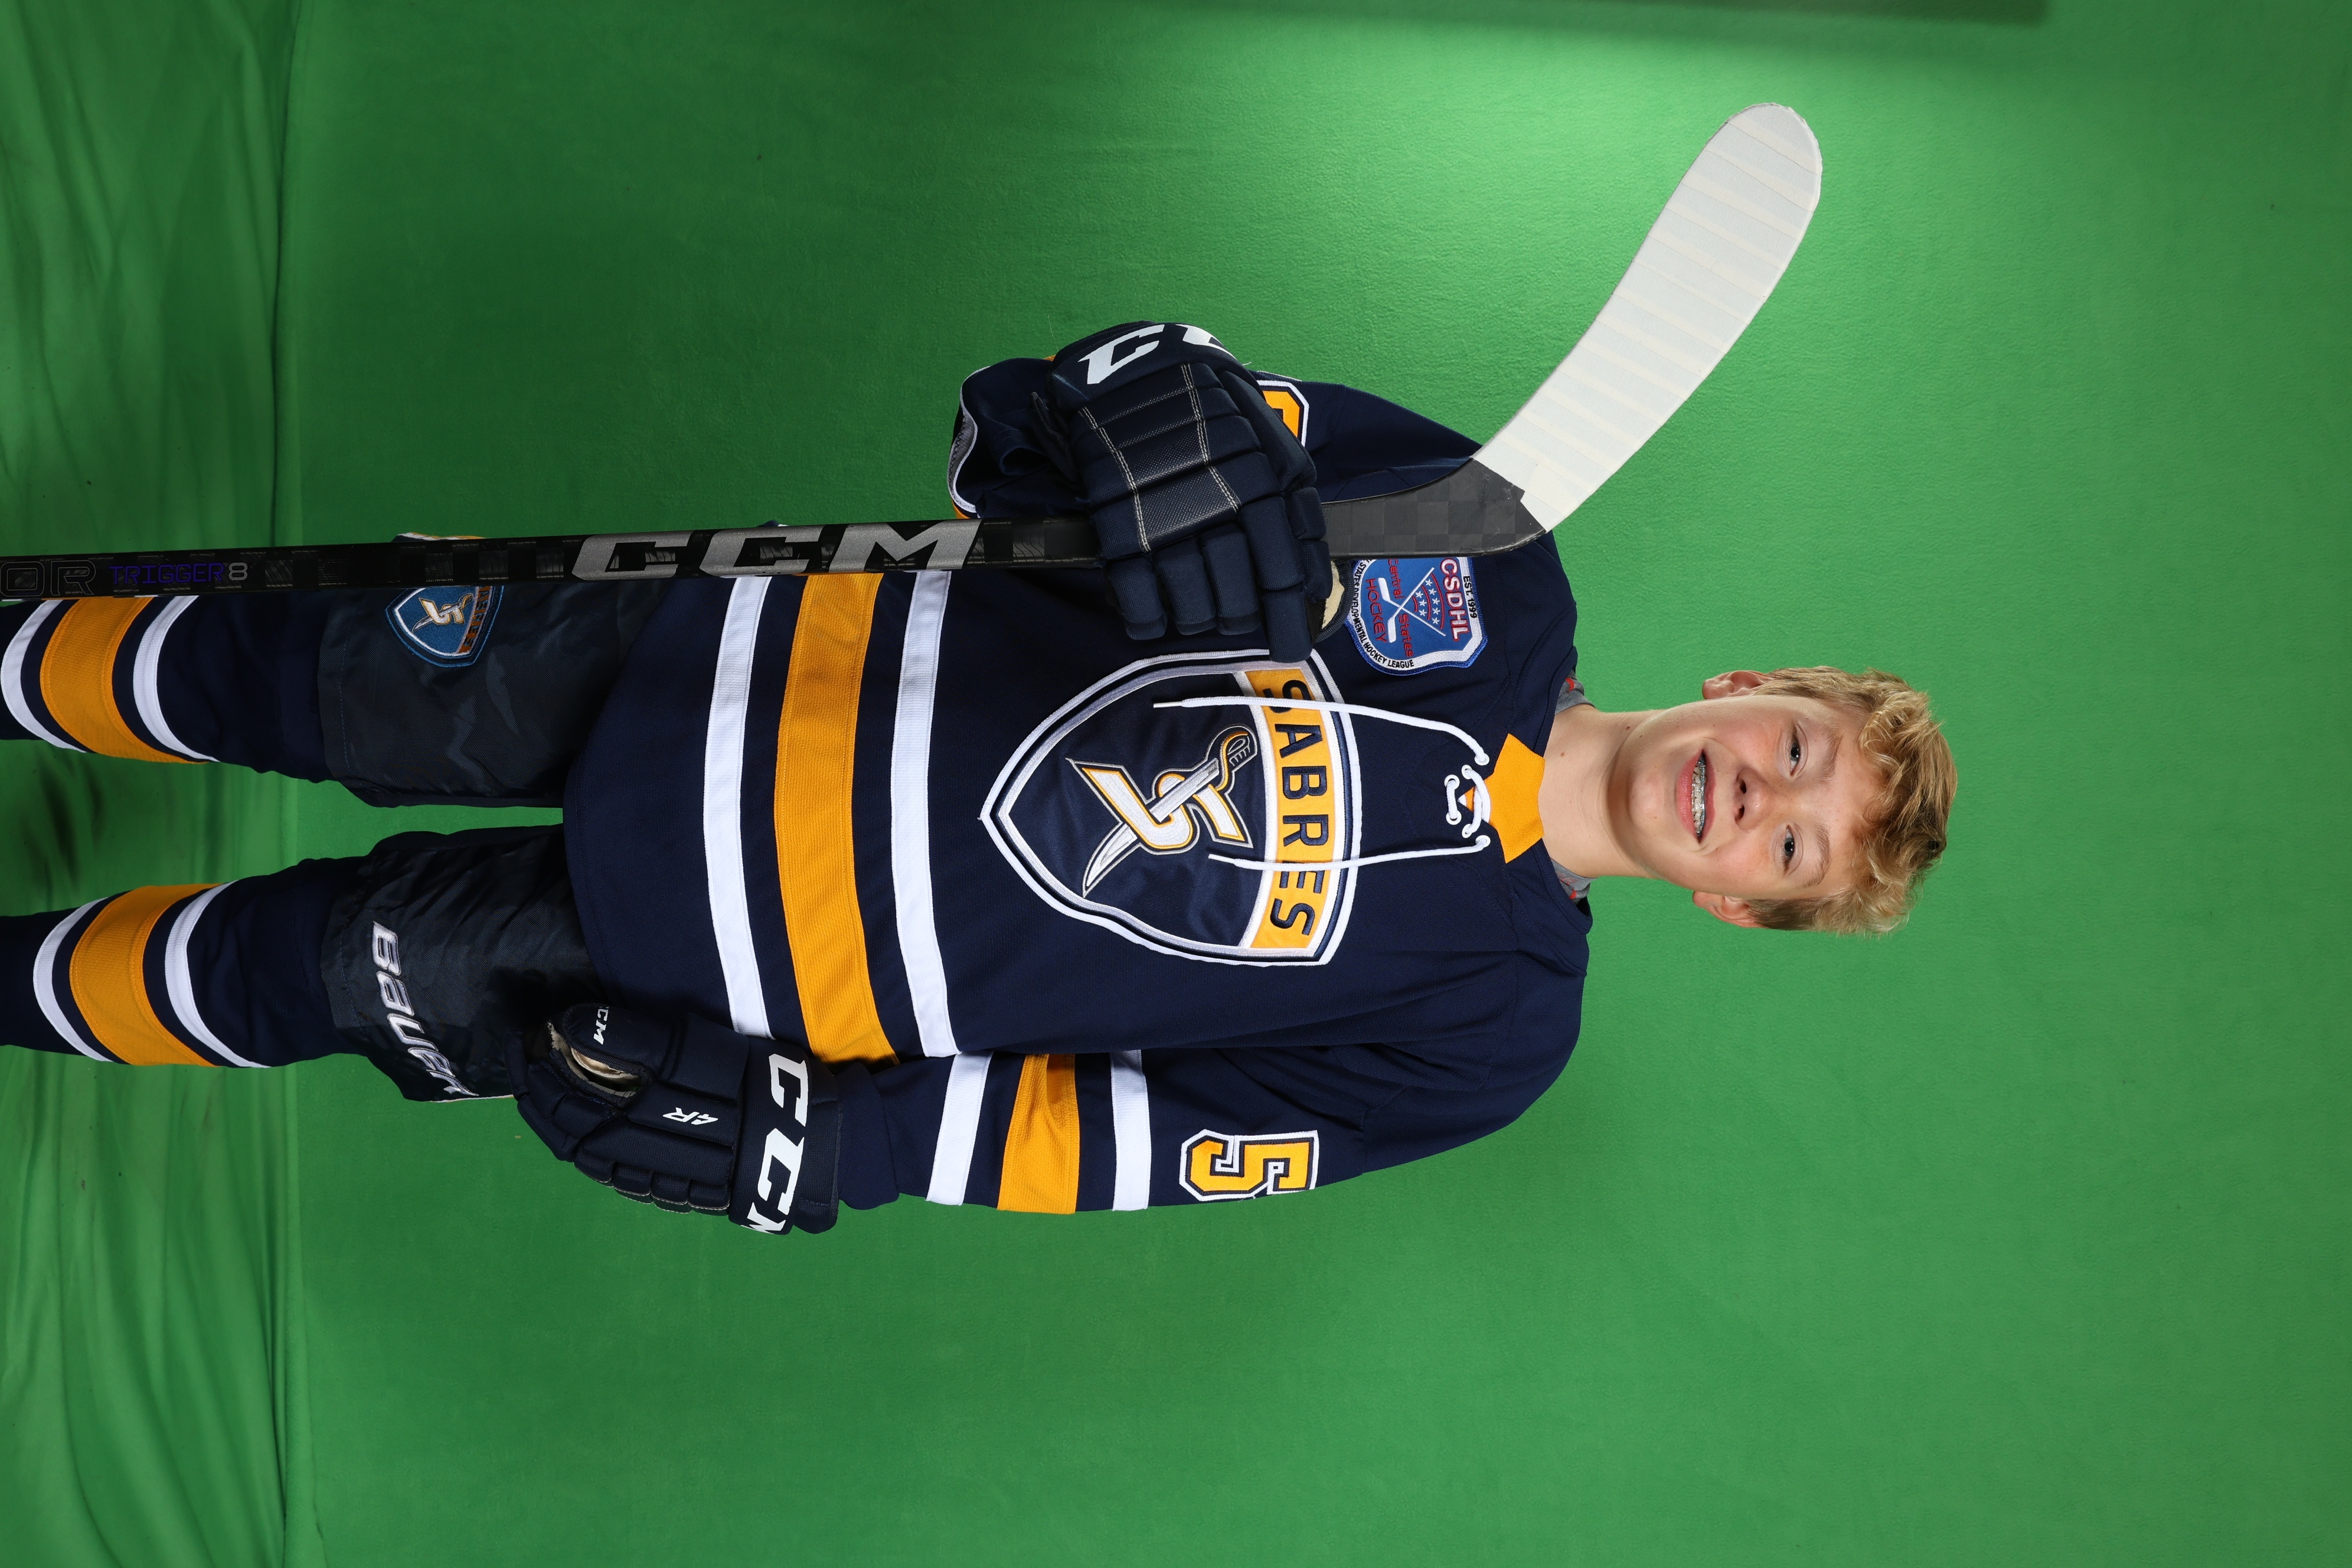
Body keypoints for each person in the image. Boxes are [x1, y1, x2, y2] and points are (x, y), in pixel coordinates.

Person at [0, 323, 1956, 1233]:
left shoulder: (1494, 1040)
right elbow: (1030, 430)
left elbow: (1136, 1137)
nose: (1760, 798)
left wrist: (826, 1150)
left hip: (746, 967)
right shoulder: (1488, 547)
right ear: (1750, 684)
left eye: (1795, 848)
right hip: (724, 661)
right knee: (271, 668)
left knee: (302, 975)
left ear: (1741, 907)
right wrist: (1143, 418)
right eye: (1795, 750)